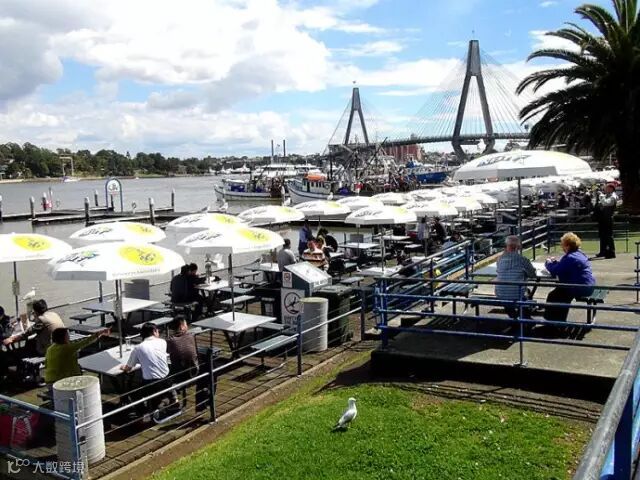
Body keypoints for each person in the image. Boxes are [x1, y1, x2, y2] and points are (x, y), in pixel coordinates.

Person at [121, 323, 172, 416]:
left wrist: (123, 367)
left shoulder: (138, 348)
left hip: (151, 384)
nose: (159, 333)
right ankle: (162, 401)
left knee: (134, 392)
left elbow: (128, 368)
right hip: (167, 380)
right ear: (154, 331)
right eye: (157, 331)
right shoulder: (163, 342)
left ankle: (144, 413)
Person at [544, 233, 595, 323]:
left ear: (567, 246)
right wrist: (556, 263)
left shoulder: (570, 257)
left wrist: (548, 263)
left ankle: (554, 323)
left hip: (580, 288)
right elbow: (563, 266)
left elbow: (556, 270)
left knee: (554, 295)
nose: (562, 247)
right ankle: (556, 321)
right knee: (559, 292)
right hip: (588, 285)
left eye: (562, 245)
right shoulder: (580, 254)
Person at [44, 327, 110, 384]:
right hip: (61, 382)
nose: (69, 337)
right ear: (63, 338)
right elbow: (86, 341)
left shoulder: (50, 349)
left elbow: (46, 364)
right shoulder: (68, 348)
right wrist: (101, 333)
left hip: (49, 381)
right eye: (67, 335)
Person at [495, 236, 537, 320]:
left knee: (510, 292)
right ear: (519, 247)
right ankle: (523, 319)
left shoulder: (499, 259)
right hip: (517, 295)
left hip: (500, 294)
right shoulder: (523, 260)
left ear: (506, 246)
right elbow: (533, 275)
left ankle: (514, 317)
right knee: (524, 293)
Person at [167, 316, 198, 407]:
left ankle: (174, 400)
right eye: (186, 324)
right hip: (195, 370)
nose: (187, 326)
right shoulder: (191, 335)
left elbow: (165, 352)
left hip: (180, 374)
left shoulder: (170, 340)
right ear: (182, 326)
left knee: (163, 379)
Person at [594, 183, 618, 259]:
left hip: (608, 218)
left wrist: (601, 196)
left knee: (608, 235)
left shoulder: (613, 196)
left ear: (611, 188)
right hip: (603, 218)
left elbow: (606, 203)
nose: (605, 189)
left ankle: (611, 252)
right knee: (602, 235)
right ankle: (603, 251)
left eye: (606, 188)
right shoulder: (606, 196)